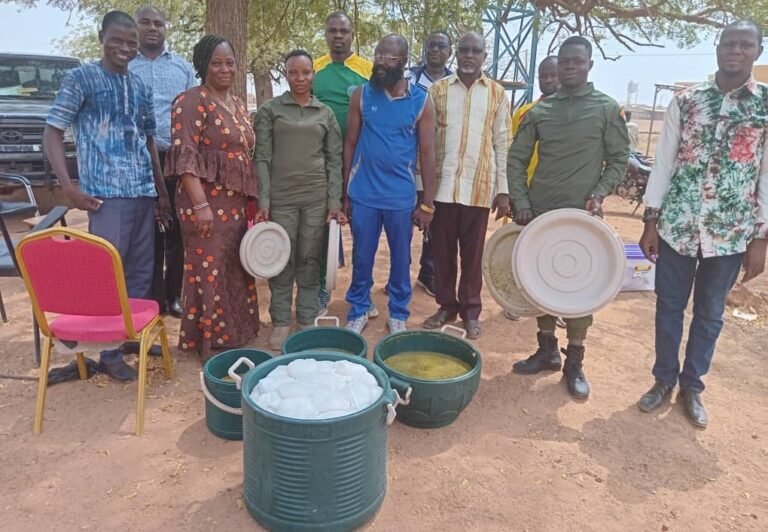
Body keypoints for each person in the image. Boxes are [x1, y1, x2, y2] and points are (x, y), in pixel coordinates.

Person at [637, 20, 767, 428]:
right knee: (668, 308)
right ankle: (663, 380)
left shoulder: (764, 105)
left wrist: (761, 236)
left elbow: (766, 173)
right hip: (678, 224)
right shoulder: (687, 101)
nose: (735, 50)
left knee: (710, 314)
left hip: (730, 232)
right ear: (717, 48)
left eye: (745, 44)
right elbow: (663, 164)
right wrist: (651, 219)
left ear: (758, 52)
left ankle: (693, 386)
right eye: (729, 42)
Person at [43, 10, 171, 381]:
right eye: (117, 40)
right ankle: (108, 355)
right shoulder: (82, 78)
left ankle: (125, 336)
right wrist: (69, 187)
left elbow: (148, 140)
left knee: (140, 274)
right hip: (104, 197)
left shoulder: (140, 87)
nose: (125, 48)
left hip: (142, 194)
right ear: (101, 37)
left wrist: (161, 193)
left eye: (131, 42)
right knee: (106, 273)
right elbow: (52, 132)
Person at [507, 36, 629, 400]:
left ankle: (574, 361)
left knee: (579, 288)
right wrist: (520, 200)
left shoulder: (607, 109)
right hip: (540, 211)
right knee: (539, 281)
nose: (570, 67)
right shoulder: (540, 112)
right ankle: (546, 351)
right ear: (557, 66)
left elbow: (620, 158)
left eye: (577, 61)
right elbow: (516, 159)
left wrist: (599, 192)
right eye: (564, 62)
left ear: (589, 65)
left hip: (582, 217)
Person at [164, 34, 260, 361]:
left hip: (232, 202)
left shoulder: (236, 103)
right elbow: (184, 157)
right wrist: (201, 205)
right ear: (202, 65)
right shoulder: (191, 101)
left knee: (233, 264)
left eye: (230, 63)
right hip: (202, 201)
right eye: (216, 63)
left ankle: (234, 334)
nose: (224, 69)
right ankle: (210, 343)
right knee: (208, 267)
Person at [343, 34, 436, 334]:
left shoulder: (421, 100)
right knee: (362, 256)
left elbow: (427, 153)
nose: (382, 61)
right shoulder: (361, 95)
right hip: (364, 194)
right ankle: (358, 308)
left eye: (390, 57)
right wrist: (346, 191)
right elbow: (350, 143)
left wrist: (428, 202)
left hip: (400, 196)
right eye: (379, 55)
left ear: (404, 61)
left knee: (400, 258)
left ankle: (398, 312)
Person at [254, 50, 345, 350]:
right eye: (293, 73)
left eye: (305, 72)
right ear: (286, 74)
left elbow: (334, 160)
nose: (300, 78)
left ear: (313, 74)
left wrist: (335, 201)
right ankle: (280, 321)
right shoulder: (270, 110)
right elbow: (262, 158)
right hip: (281, 198)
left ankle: (305, 319)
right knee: (281, 259)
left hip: (316, 197)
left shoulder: (325, 113)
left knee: (309, 258)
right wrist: (264, 200)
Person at [423, 32, 510, 339]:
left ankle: (471, 312)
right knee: (442, 253)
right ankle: (446, 306)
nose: (469, 55)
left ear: (485, 56)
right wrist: (424, 190)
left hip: (479, 188)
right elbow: (427, 142)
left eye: (476, 51)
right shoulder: (438, 90)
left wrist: (503, 190)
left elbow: (502, 143)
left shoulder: (498, 94)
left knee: (472, 257)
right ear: (455, 54)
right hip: (444, 188)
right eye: (464, 50)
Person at [130, 5, 197, 319]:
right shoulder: (125, 66)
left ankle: (173, 297)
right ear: (136, 27)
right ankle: (151, 300)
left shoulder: (182, 68)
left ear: (165, 28)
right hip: (136, 161)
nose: (152, 28)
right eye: (145, 22)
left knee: (177, 233)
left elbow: (193, 113)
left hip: (174, 158)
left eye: (158, 23)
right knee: (147, 234)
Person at [313, 12, 373, 316]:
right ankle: (322, 291)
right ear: (326, 34)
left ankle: (363, 293)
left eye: (344, 31)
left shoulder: (367, 71)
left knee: (363, 229)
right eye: (332, 30)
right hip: (321, 163)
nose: (338, 36)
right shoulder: (315, 69)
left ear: (352, 34)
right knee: (325, 228)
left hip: (361, 163)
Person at [504, 55, 559, 322]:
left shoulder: (576, 114)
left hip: (561, 196)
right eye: (543, 76)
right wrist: (515, 194)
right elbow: (514, 155)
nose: (548, 80)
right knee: (522, 251)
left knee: (556, 254)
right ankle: (517, 301)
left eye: (553, 75)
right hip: (527, 196)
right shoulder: (524, 113)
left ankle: (557, 307)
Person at [404, 30, 453, 298]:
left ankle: (428, 273)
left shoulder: (455, 81)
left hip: (439, 164)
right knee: (404, 222)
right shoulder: (408, 78)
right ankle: (399, 276)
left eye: (441, 46)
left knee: (434, 220)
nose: (435, 49)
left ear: (449, 52)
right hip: (408, 164)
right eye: (431, 45)